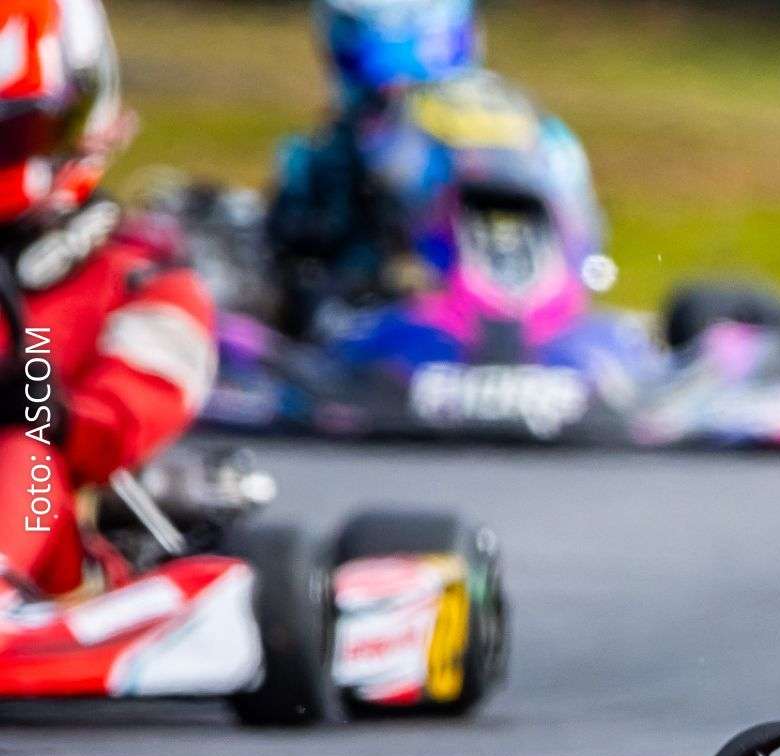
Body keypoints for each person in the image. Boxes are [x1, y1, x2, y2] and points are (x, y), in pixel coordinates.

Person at [0, 0, 214, 600]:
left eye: (11, 133)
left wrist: (42, 406)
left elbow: (122, 426)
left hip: (54, 554)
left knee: (26, 444)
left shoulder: (144, 285)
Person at [264, 0, 478, 333]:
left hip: (450, 313)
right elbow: (291, 249)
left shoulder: (470, 135)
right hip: (362, 322)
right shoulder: (336, 147)